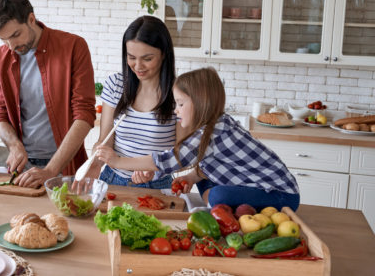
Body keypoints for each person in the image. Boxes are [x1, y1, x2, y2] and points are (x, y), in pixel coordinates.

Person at [96, 67, 300, 211]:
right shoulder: (216, 123)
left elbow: (170, 160)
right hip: (259, 186)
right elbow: (209, 162)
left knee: (219, 195)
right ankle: (217, 202)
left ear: (200, 103)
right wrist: (192, 177)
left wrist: (118, 161)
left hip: (280, 194)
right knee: (205, 179)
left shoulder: (213, 132)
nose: (176, 110)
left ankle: (217, 204)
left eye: (181, 104)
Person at [0, 0, 96, 188]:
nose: (11, 46)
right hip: (21, 169)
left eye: (16, 35)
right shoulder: (1, 58)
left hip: (64, 166)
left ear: (31, 18)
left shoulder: (73, 47)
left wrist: (51, 170)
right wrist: (14, 145)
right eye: (3, 40)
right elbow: (0, 114)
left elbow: (85, 115)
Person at [82, 15, 179, 189]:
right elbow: (104, 141)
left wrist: (152, 168)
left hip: (157, 185)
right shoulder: (116, 85)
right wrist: (94, 164)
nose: (138, 66)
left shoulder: (178, 94)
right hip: (112, 179)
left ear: (164, 54)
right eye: (132, 57)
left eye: (147, 59)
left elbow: (181, 155)